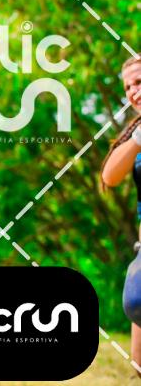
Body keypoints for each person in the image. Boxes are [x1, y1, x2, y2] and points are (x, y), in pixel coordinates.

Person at [101, 56, 141, 374]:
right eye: (128, 87)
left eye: (139, 82)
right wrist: (138, 139)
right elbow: (110, 176)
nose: (133, 91)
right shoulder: (137, 133)